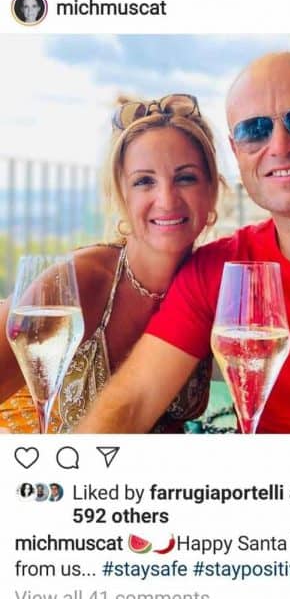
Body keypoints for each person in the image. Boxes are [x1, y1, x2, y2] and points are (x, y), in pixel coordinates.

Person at [76, 51, 290, 434]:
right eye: (254, 130)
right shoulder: (218, 271)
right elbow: (133, 402)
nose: (280, 146)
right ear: (236, 151)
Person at [0, 94, 222, 433]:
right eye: (144, 181)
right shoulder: (81, 281)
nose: (166, 200)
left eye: (186, 178)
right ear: (121, 194)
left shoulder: (211, 280)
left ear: (212, 190)